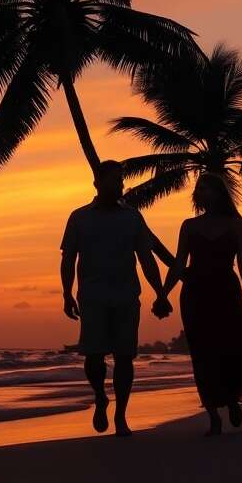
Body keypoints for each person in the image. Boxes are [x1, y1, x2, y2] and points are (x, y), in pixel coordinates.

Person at [60, 160, 169, 436]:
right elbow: (68, 259)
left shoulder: (132, 217)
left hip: (126, 296)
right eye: (115, 180)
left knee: (124, 357)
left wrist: (160, 292)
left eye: (121, 180)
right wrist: (66, 294)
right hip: (92, 298)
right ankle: (100, 396)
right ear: (98, 183)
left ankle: (121, 415)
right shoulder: (79, 217)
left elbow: (146, 258)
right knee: (94, 356)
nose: (120, 185)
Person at [156, 173, 242, 436]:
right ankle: (213, 415)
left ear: (219, 192)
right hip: (195, 293)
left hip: (226, 291)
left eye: (207, 188)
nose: (202, 192)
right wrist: (163, 293)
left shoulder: (236, 225)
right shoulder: (189, 226)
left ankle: (231, 400)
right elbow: (180, 262)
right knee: (203, 354)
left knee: (231, 348)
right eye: (199, 188)